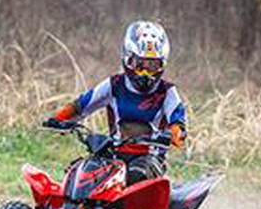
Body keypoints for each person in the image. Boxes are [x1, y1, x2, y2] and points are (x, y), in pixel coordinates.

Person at [45, 20, 187, 184]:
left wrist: (174, 134)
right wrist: (58, 119)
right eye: (140, 65)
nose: (146, 74)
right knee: (80, 172)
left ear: (162, 65)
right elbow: (81, 105)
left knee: (134, 175)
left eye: (153, 66)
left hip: (149, 159)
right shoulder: (114, 85)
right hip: (112, 155)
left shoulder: (167, 92)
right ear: (127, 60)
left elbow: (178, 122)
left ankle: (138, 208)